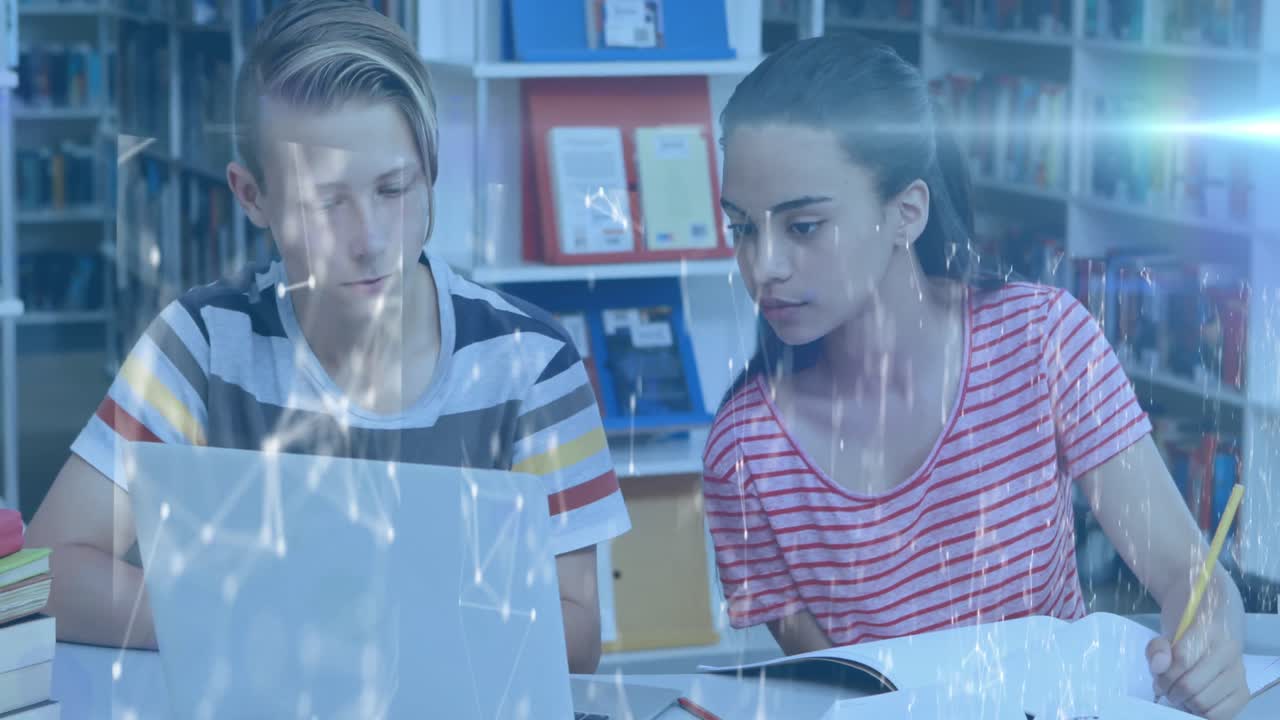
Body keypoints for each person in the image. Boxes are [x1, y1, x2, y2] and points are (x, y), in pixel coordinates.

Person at [25, 0, 628, 675]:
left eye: (392, 190)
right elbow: (43, 574)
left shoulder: (533, 362)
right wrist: (251, 623)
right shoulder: (202, 345)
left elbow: (578, 636)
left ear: (431, 167)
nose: (369, 241)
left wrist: (372, 633)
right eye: (325, 202)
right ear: (252, 197)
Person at [701, 34, 1249, 719]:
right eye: (743, 229)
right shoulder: (744, 454)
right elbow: (839, 692)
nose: (764, 266)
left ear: (907, 213)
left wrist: (1210, 636)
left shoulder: (1042, 339)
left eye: (804, 226)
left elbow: (1187, 571)